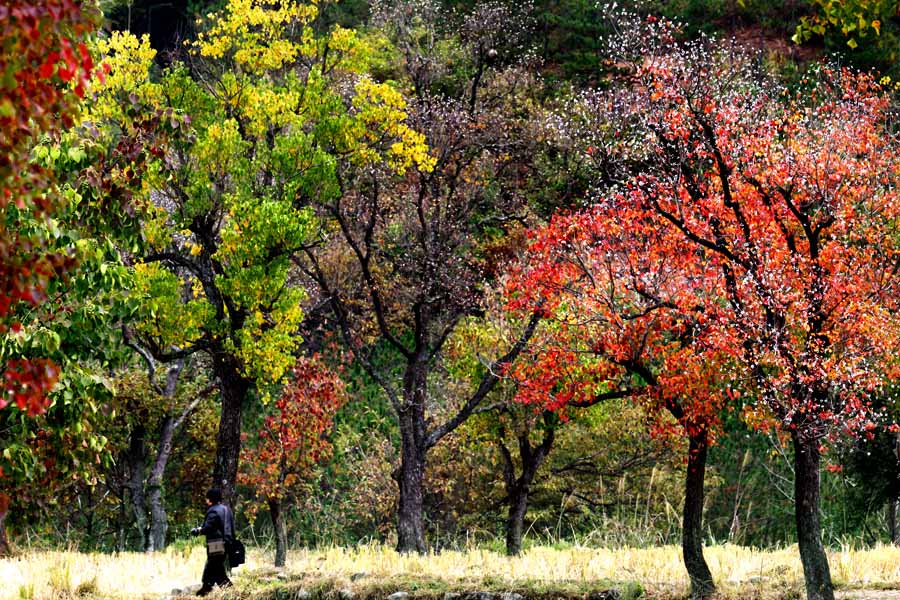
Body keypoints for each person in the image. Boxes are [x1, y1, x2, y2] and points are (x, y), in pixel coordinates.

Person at [190, 487, 235, 596]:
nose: (206, 500)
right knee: (215, 566)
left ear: (210, 499)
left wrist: (198, 531)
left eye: (207, 498)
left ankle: (224, 590)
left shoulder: (213, 510)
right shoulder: (226, 509)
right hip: (227, 542)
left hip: (216, 543)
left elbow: (208, 527)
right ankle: (206, 588)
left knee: (214, 567)